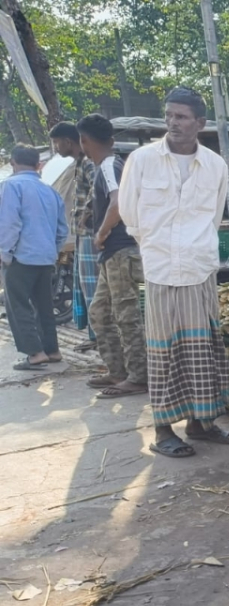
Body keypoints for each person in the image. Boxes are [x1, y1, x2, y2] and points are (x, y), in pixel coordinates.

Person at [118, 87, 229, 457]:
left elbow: (215, 215)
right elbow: (130, 215)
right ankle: (162, 429)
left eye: (182, 117)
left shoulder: (215, 165)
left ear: (200, 123)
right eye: (169, 115)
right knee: (164, 351)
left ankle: (200, 423)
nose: (173, 122)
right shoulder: (142, 160)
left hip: (200, 270)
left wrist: (192, 247)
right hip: (161, 271)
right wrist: (159, 246)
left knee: (203, 348)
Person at [78, 114, 147, 398]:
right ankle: (117, 370)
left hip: (120, 250)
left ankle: (139, 375)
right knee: (100, 311)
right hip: (114, 254)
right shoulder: (115, 164)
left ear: (84, 141)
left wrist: (101, 233)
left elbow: (117, 203)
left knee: (125, 314)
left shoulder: (108, 165)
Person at [0, 144, 68, 369]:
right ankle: (52, 350)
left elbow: (9, 224)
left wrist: (5, 254)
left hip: (21, 256)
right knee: (44, 305)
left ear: (13, 162)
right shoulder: (50, 190)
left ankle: (35, 353)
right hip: (46, 257)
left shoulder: (10, 186)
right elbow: (62, 230)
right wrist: (53, 251)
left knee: (18, 305)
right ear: (39, 164)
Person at [48, 122, 99, 350]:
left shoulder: (88, 163)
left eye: (57, 143)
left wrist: (85, 216)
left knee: (93, 288)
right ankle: (94, 334)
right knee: (86, 288)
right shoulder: (78, 164)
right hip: (82, 234)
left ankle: (99, 337)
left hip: (90, 234)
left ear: (68, 141)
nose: (57, 148)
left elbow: (97, 192)